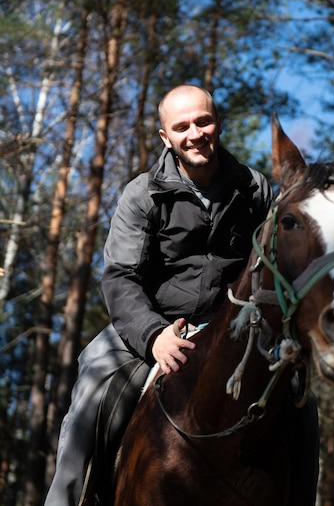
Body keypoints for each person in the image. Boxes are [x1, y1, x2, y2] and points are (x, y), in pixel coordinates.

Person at [44, 84, 273, 506]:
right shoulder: (142, 193)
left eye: (203, 121)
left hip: (231, 332)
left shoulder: (256, 190)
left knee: (299, 399)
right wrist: (154, 336)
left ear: (217, 123)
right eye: (181, 126)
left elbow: (272, 268)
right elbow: (119, 277)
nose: (195, 133)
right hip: (147, 327)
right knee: (93, 390)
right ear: (166, 137)